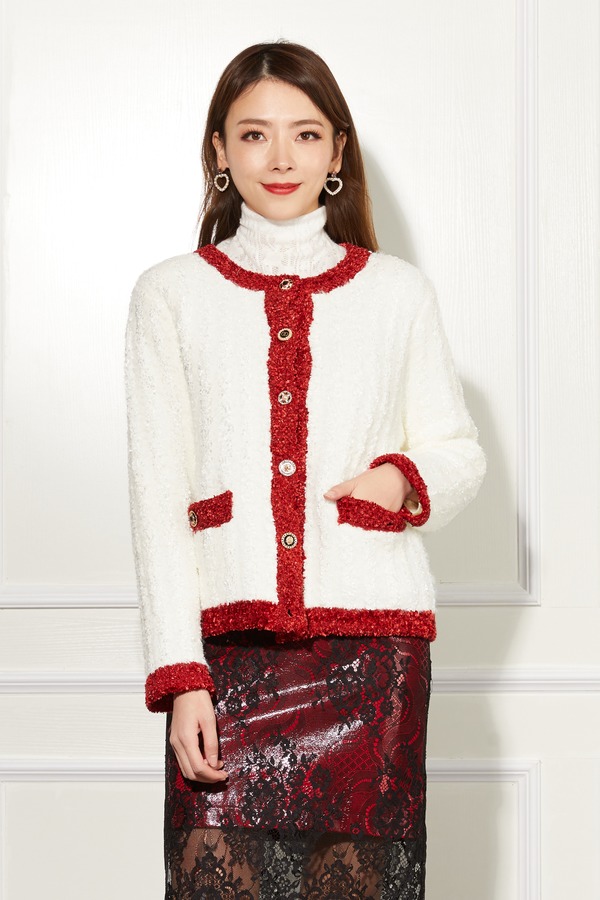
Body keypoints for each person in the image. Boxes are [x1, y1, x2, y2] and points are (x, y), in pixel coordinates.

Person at [124, 39, 486, 899]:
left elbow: (459, 452)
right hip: (227, 656)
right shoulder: (169, 294)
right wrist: (182, 679)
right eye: (254, 135)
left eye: (306, 134)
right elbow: (156, 498)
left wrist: (400, 480)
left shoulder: (397, 292)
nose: (281, 158)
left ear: (337, 152)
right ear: (220, 151)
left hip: (373, 659)